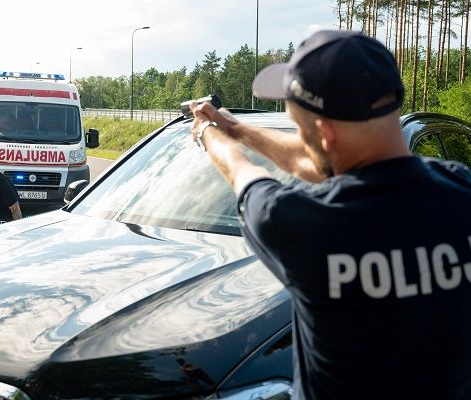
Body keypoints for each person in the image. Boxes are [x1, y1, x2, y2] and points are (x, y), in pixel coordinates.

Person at [189, 30, 471, 399]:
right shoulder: (461, 189)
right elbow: (326, 162)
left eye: (300, 128)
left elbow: (240, 170)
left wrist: (208, 132)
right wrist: (238, 128)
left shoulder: (296, 224)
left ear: (324, 134)